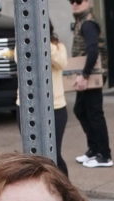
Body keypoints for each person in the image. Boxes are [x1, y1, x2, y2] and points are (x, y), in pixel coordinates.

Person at [69, 0, 110, 168]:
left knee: (94, 114)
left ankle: (104, 155)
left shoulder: (88, 23)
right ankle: (93, 149)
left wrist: (85, 75)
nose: (74, 4)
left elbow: (93, 50)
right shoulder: (81, 21)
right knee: (80, 110)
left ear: (89, 2)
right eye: (71, 1)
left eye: (78, 1)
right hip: (86, 75)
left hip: (91, 76)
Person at [48, 27, 67, 173]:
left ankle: (65, 190)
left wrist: (45, 44)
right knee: (33, 157)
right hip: (25, 105)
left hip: (56, 106)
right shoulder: (22, 44)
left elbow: (61, 63)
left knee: (54, 155)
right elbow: (19, 58)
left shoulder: (58, 47)